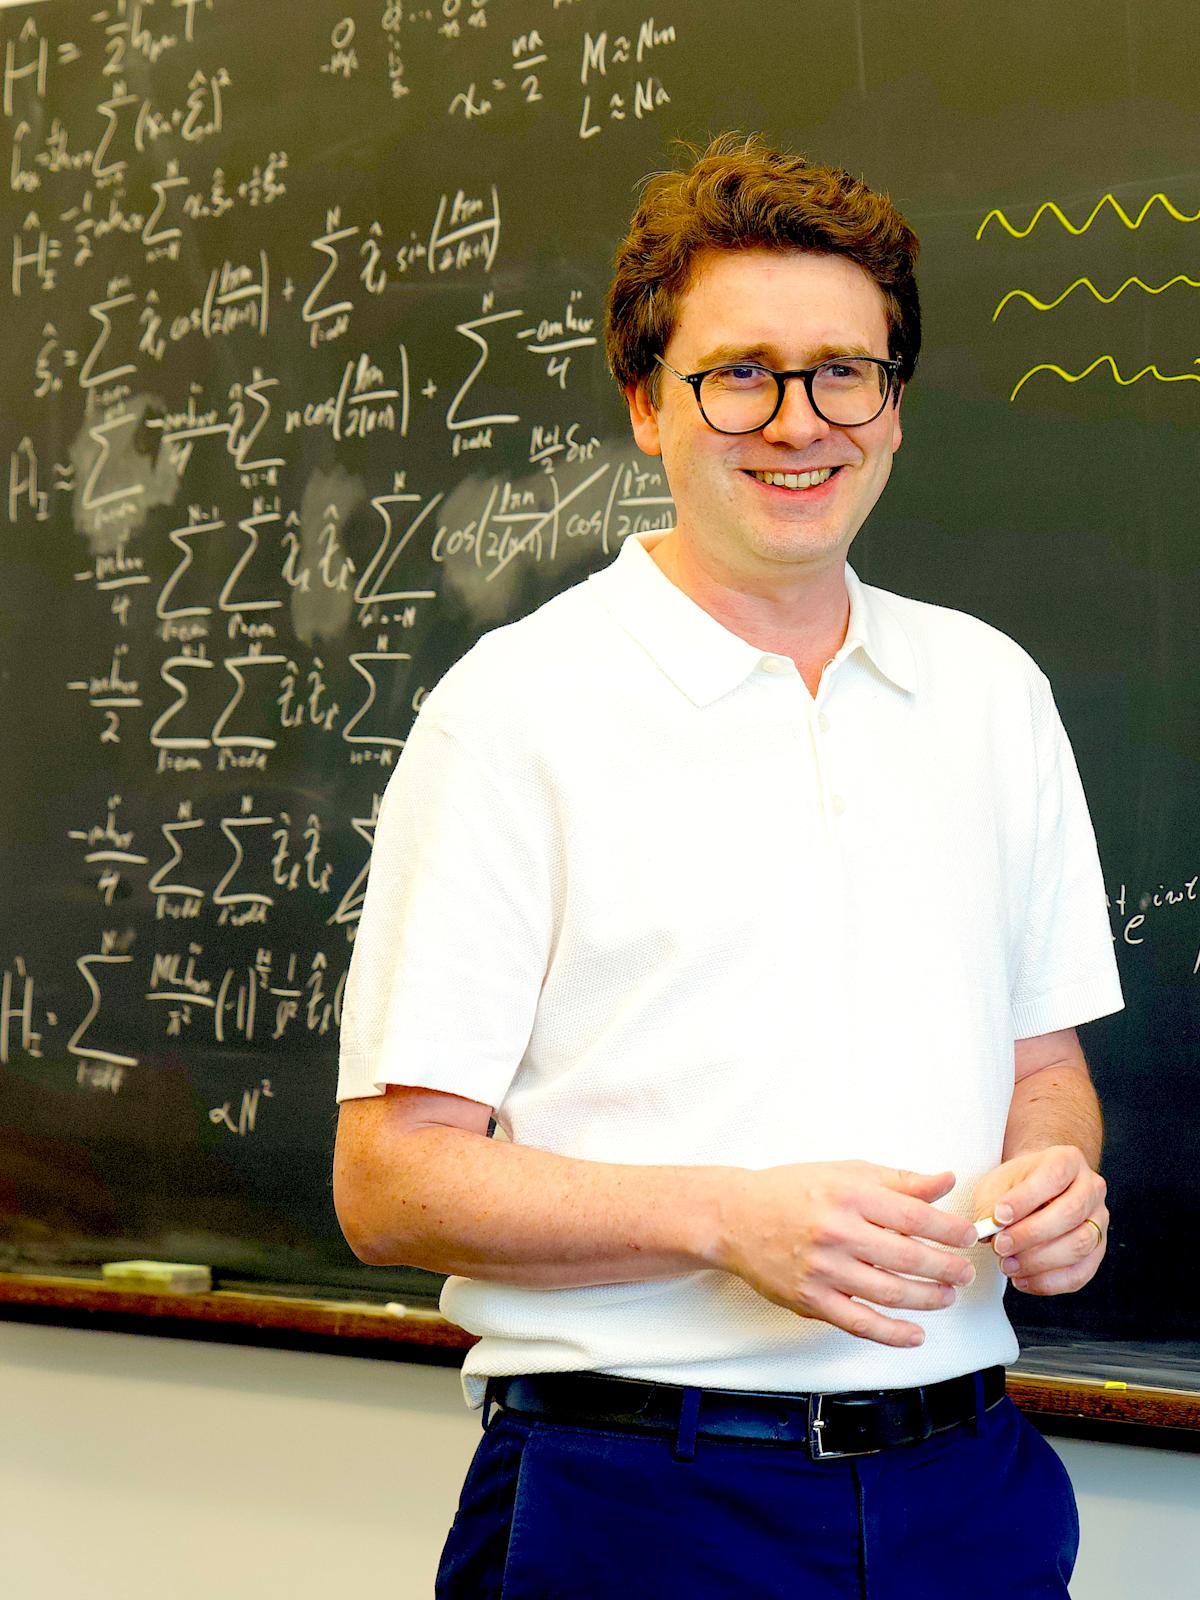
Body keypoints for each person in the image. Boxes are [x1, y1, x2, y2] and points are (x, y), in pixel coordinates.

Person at [333, 134, 1123, 1598]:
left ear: (892, 409)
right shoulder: (517, 711)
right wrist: (722, 1218)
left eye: (844, 372)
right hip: (640, 1495)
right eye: (740, 373)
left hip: (972, 1494)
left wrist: (1060, 1172)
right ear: (648, 405)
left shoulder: (991, 691)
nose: (797, 420)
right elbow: (389, 1183)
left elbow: (1044, 1063)